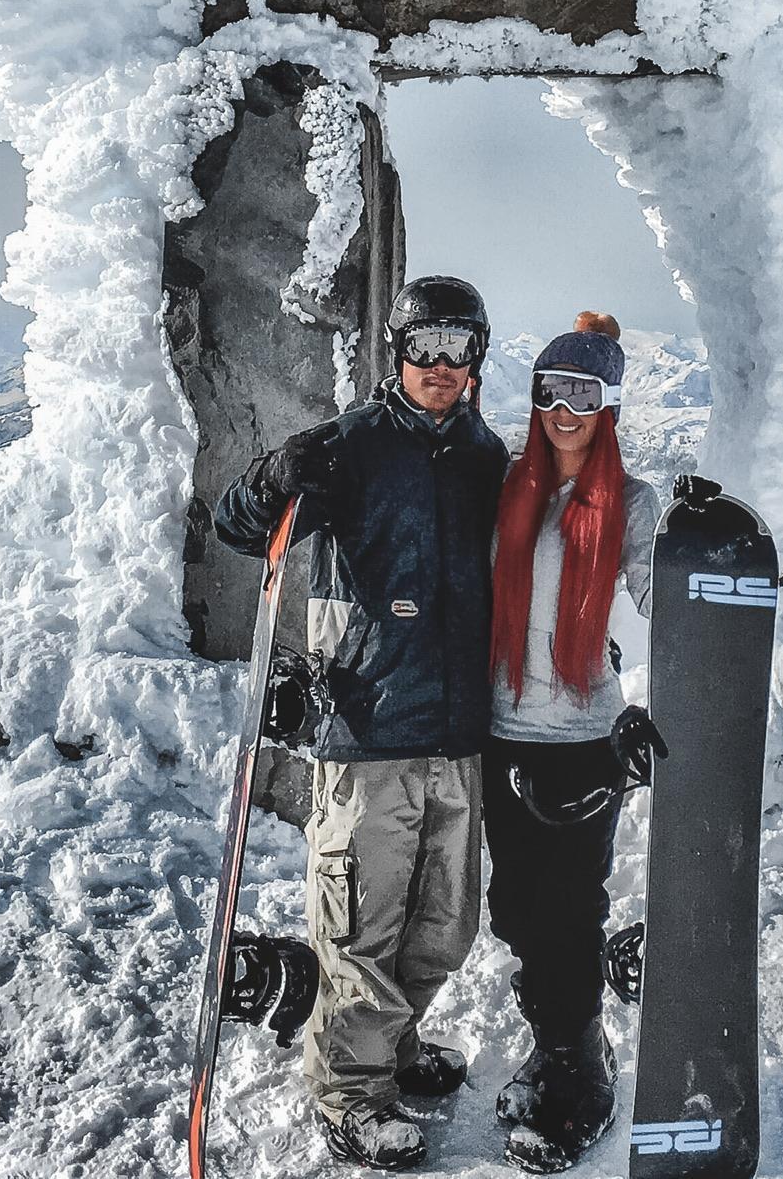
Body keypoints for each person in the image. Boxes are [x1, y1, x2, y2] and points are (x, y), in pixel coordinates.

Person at [214, 275, 509, 1173]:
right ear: (397, 350)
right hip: (370, 727)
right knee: (360, 926)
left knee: (443, 924)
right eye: (425, 346)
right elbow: (237, 525)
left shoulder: (485, 455)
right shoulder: (352, 445)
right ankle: (348, 1090)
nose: (440, 365)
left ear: (477, 357)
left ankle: (392, 1043)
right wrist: (272, 476)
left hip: (459, 736)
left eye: (459, 346)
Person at [483, 311, 663, 1173]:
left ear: (609, 404)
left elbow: (665, 596)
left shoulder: (629, 501)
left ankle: (577, 1061)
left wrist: (712, 560)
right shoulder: (506, 484)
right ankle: (552, 1036)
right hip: (497, 733)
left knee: (567, 908)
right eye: (550, 388)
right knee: (517, 908)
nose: (562, 407)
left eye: (582, 392)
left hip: (580, 738)